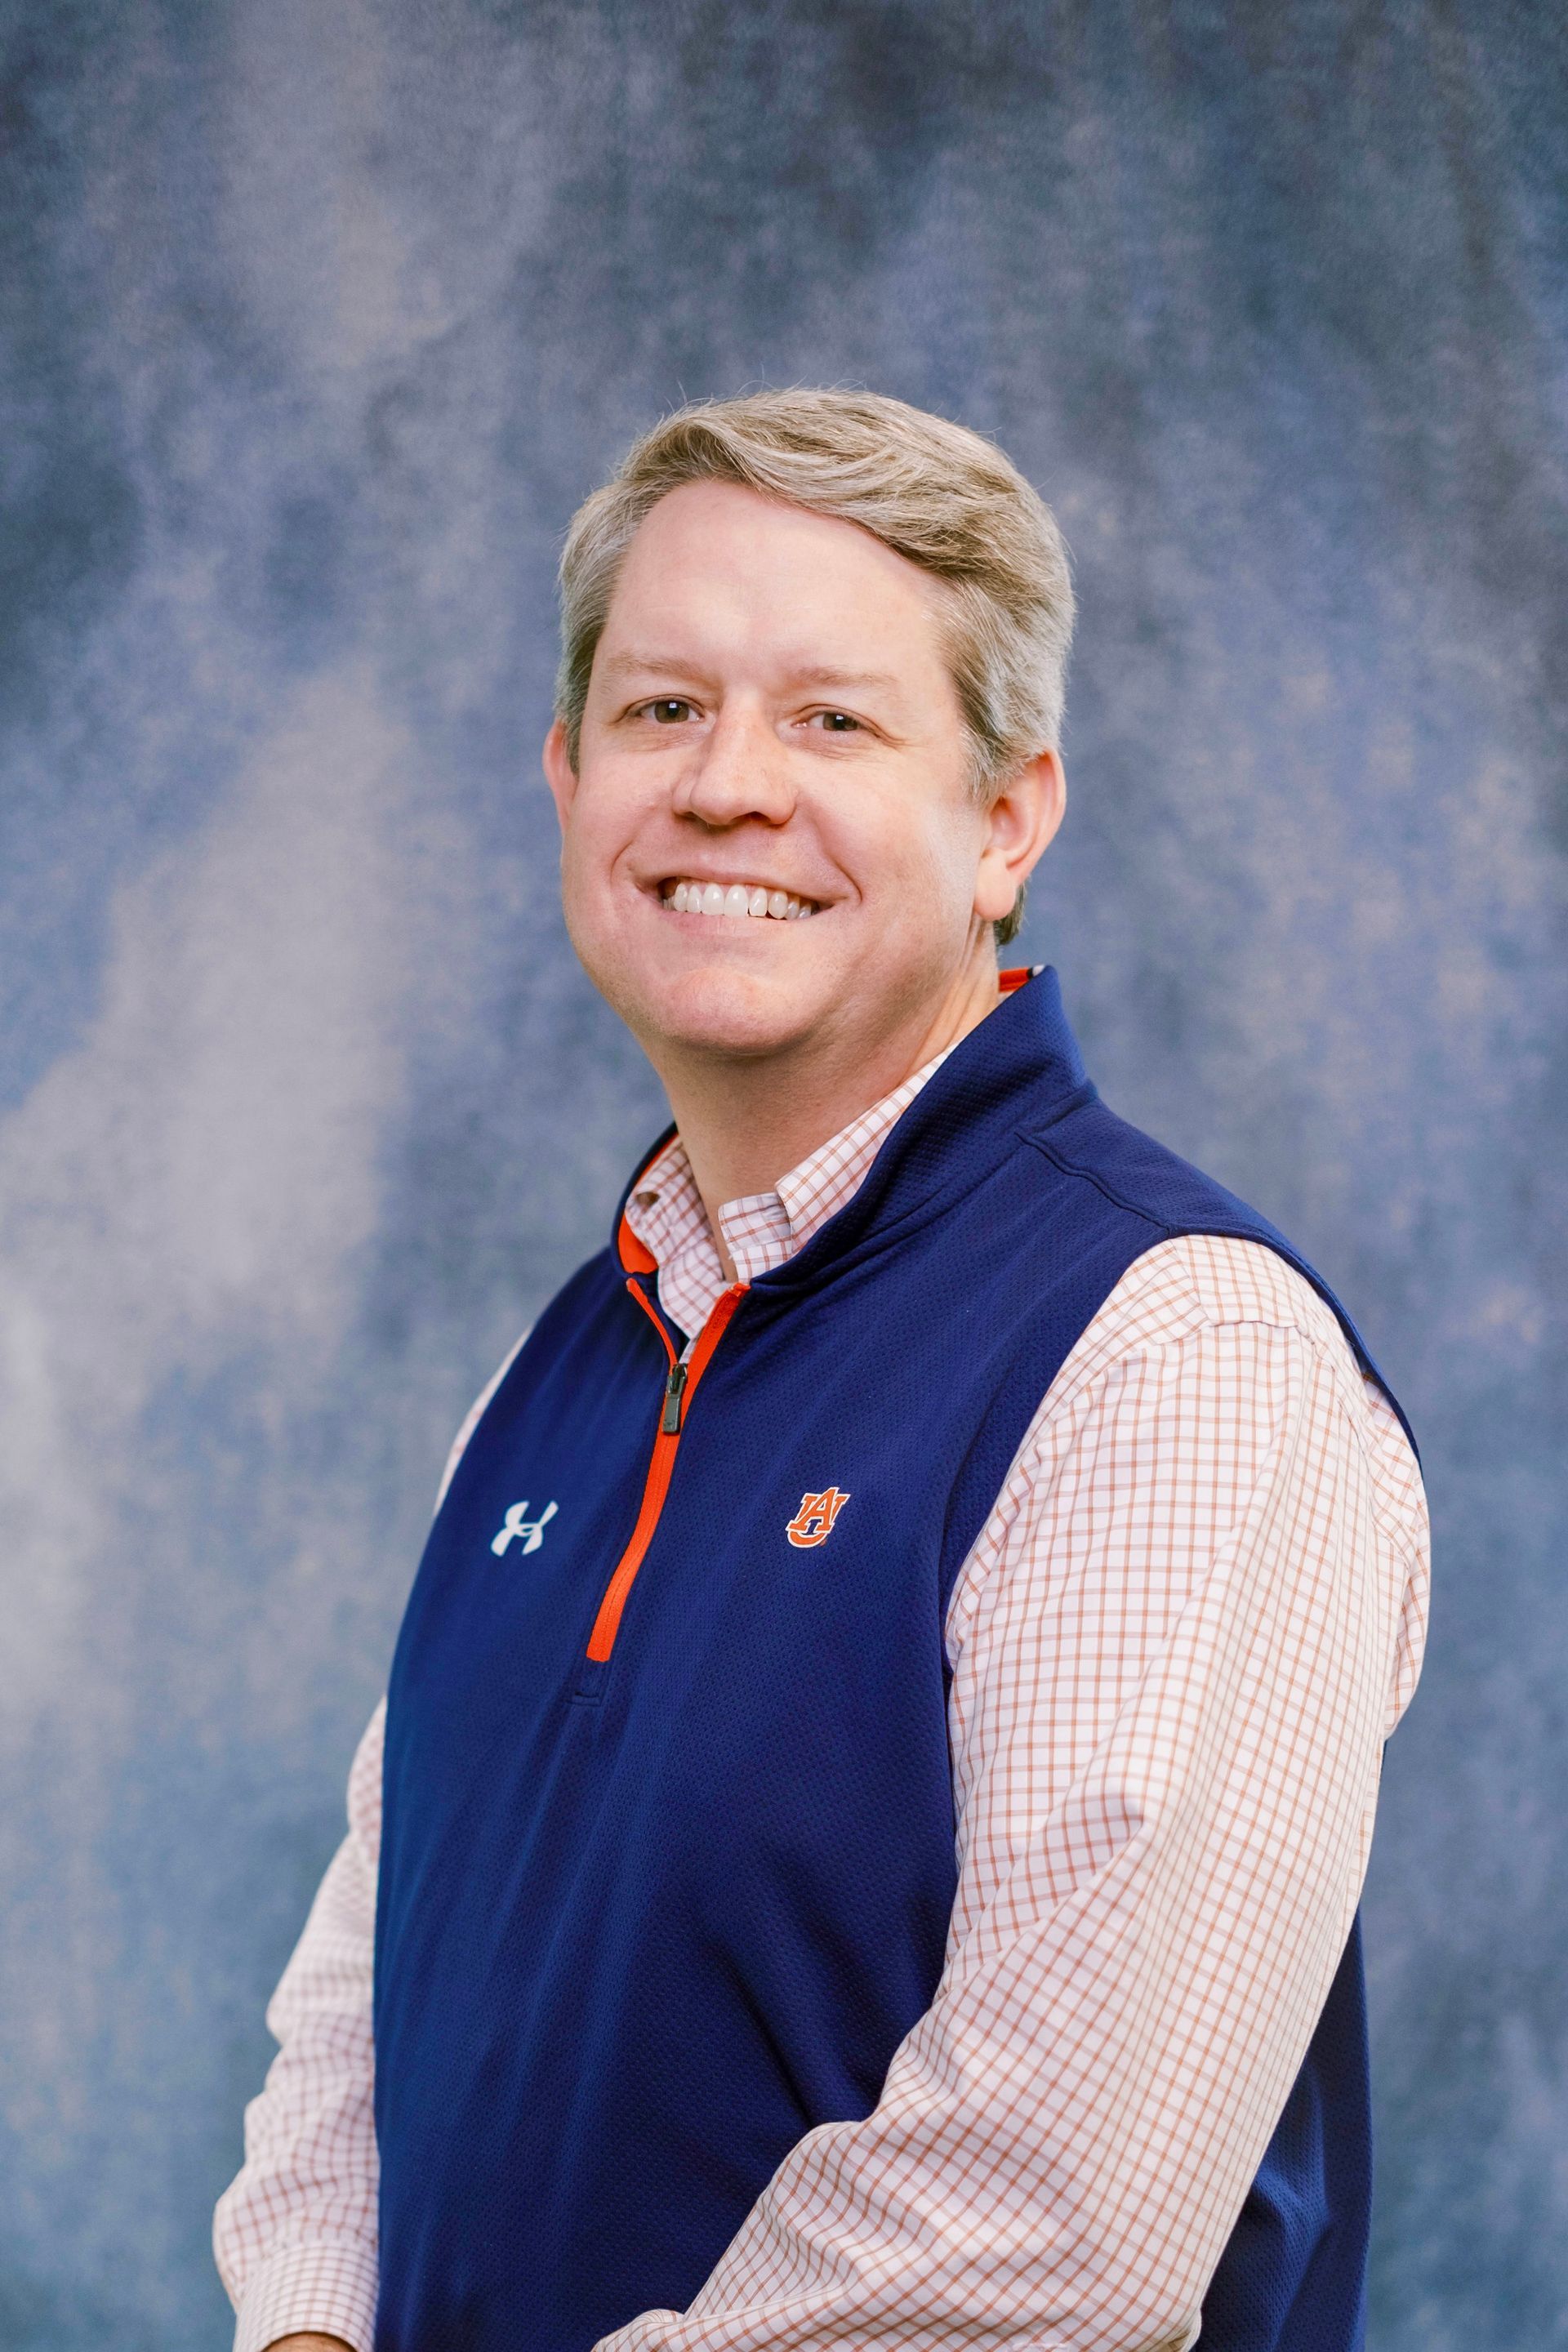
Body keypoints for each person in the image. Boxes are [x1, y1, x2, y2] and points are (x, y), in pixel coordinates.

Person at [214, 390, 1429, 2352]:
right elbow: (361, 2023)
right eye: (663, 708)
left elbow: (1056, 2222)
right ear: (565, 775)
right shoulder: (553, 1383)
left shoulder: (1174, 1359)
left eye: (834, 720)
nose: (724, 788)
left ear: (1007, 821)